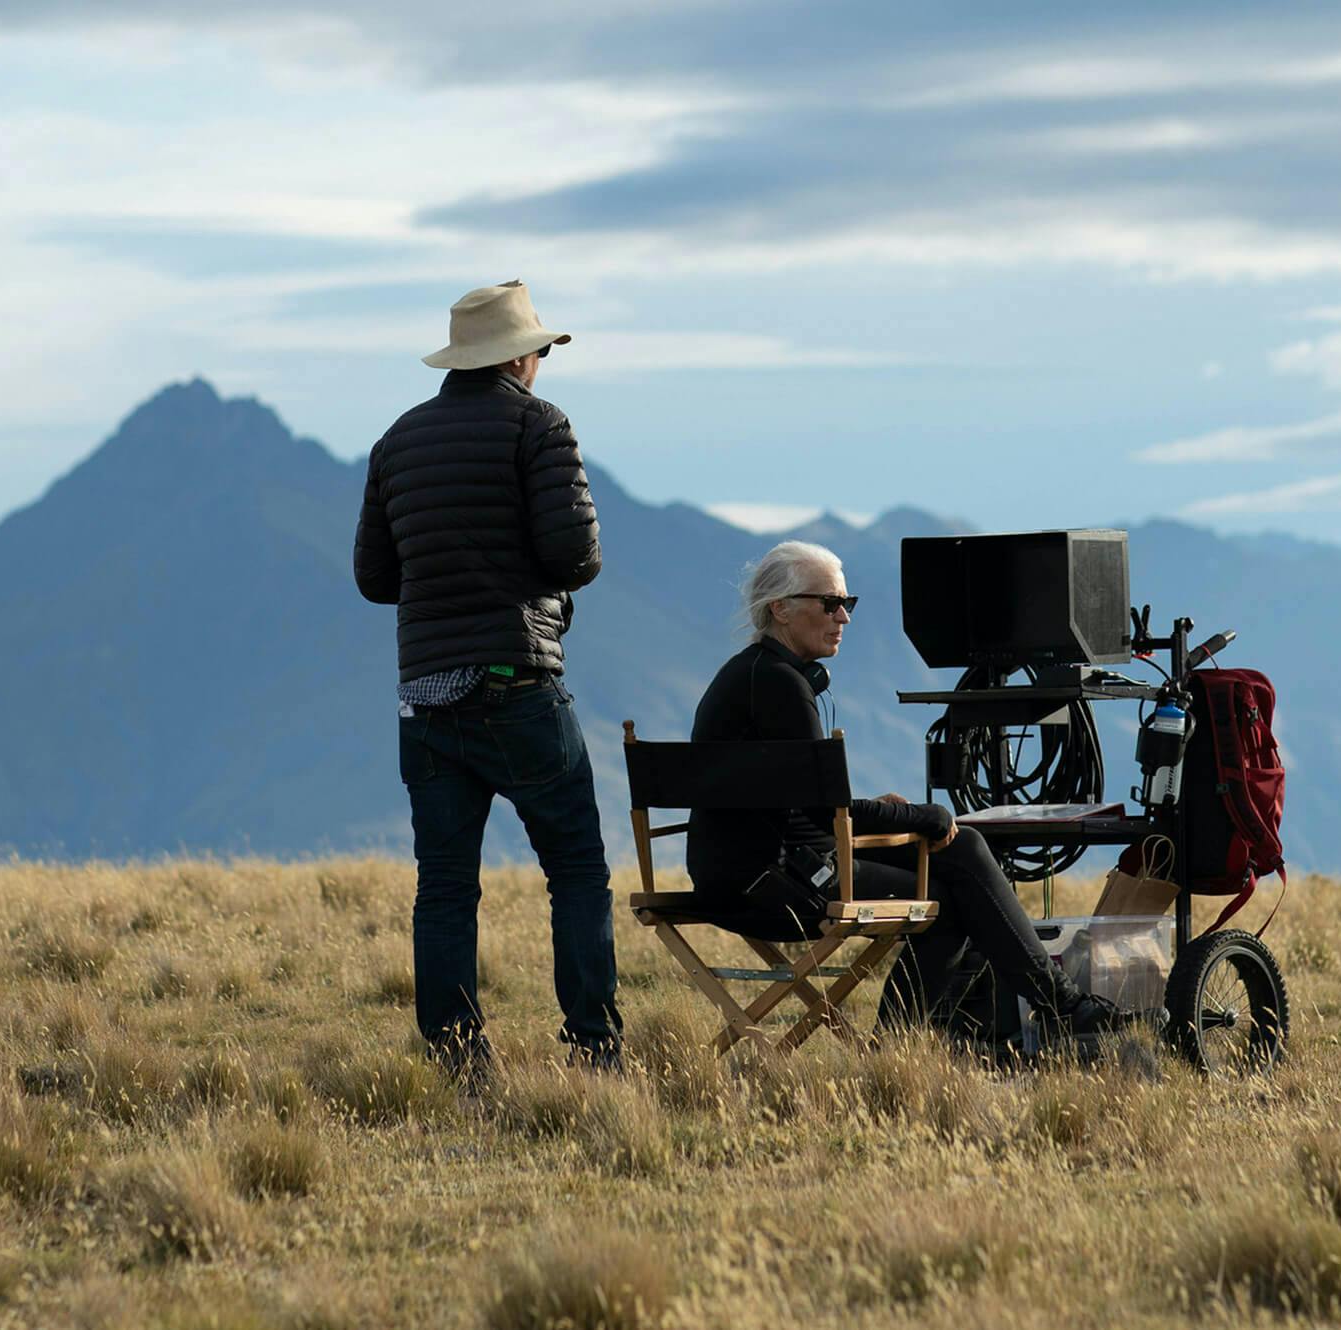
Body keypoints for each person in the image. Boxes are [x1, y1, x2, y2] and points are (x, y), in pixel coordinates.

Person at [687, 540, 1121, 1048]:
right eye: (829, 604)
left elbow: (800, 801)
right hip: (772, 885)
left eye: (847, 604)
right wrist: (920, 817)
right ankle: (1042, 1011)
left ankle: (1032, 1013)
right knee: (954, 873)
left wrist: (898, 816)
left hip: (744, 874)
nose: (843, 618)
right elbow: (825, 810)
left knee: (958, 864)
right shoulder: (781, 685)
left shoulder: (750, 674)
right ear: (780, 609)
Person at [353, 280, 620, 1079]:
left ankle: (458, 1060)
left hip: (425, 694)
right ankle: (593, 1048)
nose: (540, 361)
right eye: (538, 349)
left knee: (444, 886)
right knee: (575, 869)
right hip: (517, 683)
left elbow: (374, 578)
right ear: (518, 357)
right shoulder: (540, 426)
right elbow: (579, 556)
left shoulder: (396, 442)